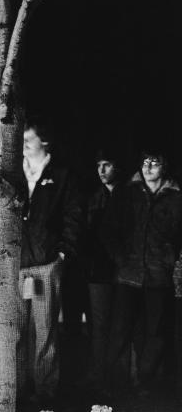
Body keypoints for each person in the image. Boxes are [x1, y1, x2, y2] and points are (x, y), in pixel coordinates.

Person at [106, 148, 182, 395]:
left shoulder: (175, 196)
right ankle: (115, 383)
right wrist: (120, 258)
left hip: (159, 275)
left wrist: (170, 259)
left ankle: (146, 383)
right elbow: (111, 228)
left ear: (164, 167)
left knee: (155, 332)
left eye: (155, 163)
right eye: (145, 162)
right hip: (128, 274)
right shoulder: (127, 193)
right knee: (120, 329)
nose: (148, 167)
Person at [17, 121, 81, 401]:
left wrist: (63, 253)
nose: (24, 143)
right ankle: (17, 387)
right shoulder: (13, 174)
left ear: (45, 142)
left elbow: (73, 216)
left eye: (29, 138)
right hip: (18, 264)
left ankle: (44, 391)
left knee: (44, 329)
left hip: (44, 265)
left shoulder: (61, 176)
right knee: (17, 329)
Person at [83, 150, 121, 389]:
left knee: (125, 324)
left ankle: (123, 376)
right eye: (98, 165)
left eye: (107, 165)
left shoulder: (128, 195)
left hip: (127, 270)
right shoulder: (94, 198)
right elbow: (88, 237)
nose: (102, 170)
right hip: (99, 271)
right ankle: (99, 375)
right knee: (99, 324)